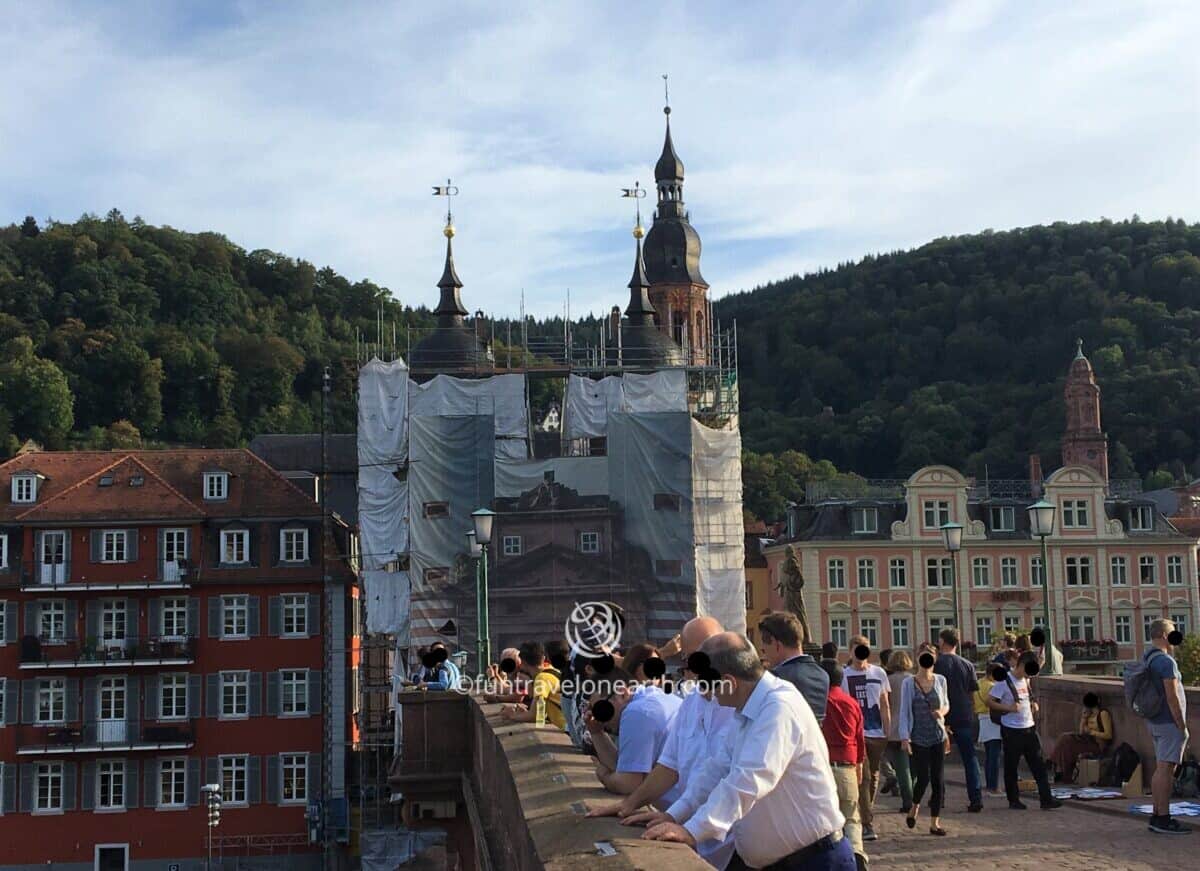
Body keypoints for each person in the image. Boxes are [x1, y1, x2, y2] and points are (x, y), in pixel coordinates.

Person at [641, 633, 855, 870]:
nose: (705, 694)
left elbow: (748, 780)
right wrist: (674, 815)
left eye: (706, 685)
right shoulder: (750, 707)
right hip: (787, 861)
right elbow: (717, 769)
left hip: (815, 861)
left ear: (729, 682)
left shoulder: (779, 708)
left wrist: (691, 831)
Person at [588, 617, 737, 867]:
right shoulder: (693, 701)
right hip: (708, 840)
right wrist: (631, 806)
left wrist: (606, 777)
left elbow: (744, 783)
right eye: (687, 662)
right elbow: (670, 766)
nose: (690, 671)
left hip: (737, 844)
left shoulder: (750, 705)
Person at [586, 665, 682, 795]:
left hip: (684, 810)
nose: (598, 716)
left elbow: (627, 784)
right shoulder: (650, 698)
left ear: (622, 694)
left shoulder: (637, 712)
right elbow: (623, 768)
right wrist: (596, 732)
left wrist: (603, 776)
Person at [986, 653, 1062, 810]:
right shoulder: (1004, 681)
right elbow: (990, 701)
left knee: (1039, 766)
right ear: (1021, 665)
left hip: (1029, 727)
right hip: (1011, 730)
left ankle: (1046, 799)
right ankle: (1013, 800)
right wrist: (1008, 708)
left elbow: (1028, 696)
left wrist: (1033, 704)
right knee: (1011, 766)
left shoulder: (1026, 680)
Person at [1142, 618, 1191, 835]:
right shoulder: (1165, 662)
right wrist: (1182, 725)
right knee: (1166, 770)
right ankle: (1163, 817)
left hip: (1155, 720)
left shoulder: (1148, 657)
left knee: (1161, 768)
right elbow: (1172, 696)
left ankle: (1156, 814)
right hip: (1169, 722)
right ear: (1164, 636)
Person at [820, 658, 868, 870]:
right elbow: (860, 738)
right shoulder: (852, 703)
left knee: (826, 817)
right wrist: (858, 765)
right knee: (851, 816)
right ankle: (857, 852)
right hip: (847, 763)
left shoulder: (819, 703)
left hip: (824, 765)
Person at [841, 638, 890, 842]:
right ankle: (867, 822)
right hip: (857, 734)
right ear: (851, 653)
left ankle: (865, 810)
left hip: (877, 732)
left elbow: (884, 703)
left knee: (874, 775)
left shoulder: (878, 673)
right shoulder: (845, 675)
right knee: (864, 777)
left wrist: (888, 731)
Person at [900, 649, 950, 836]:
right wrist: (905, 737)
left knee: (938, 779)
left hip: (937, 735)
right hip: (918, 737)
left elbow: (946, 703)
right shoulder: (909, 683)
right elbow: (904, 711)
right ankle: (914, 807)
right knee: (923, 778)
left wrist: (942, 713)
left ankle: (934, 823)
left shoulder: (940, 680)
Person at [933, 628, 982, 812]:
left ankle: (940, 798)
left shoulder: (936, 664)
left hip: (941, 716)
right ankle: (976, 797)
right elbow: (972, 693)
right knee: (970, 758)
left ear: (943, 642)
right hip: (963, 715)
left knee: (937, 760)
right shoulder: (967, 665)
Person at [760, 610, 830, 722]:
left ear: (775, 643)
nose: (764, 655)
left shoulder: (776, 677)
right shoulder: (822, 675)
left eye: (764, 650)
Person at [499, 640, 565, 728]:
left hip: (565, 729)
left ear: (523, 663)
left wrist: (511, 715)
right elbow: (541, 714)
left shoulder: (542, 679)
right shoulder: (552, 670)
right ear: (543, 658)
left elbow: (535, 716)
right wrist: (526, 712)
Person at [1050, 691, 1113, 782]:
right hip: (1087, 740)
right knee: (1065, 738)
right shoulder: (1088, 714)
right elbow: (1081, 732)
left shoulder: (1103, 714)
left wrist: (1092, 732)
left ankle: (1062, 771)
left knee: (1068, 743)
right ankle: (1061, 770)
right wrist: (1083, 719)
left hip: (1097, 745)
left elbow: (1108, 735)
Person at [883, 650, 915, 814]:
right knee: (913, 766)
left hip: (894, 729)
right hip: (913, 728)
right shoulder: (913, 680)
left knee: (901, 768)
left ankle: (907, 800)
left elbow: (885, 704)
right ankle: (913, 795)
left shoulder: (888, 681)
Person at [974, 667, 1003, 796]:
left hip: (982, 719)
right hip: (992, 719)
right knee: (995, 755)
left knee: (988, 755)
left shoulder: (979, 683)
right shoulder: (992, 686)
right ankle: (994, 786)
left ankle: (989, 784)